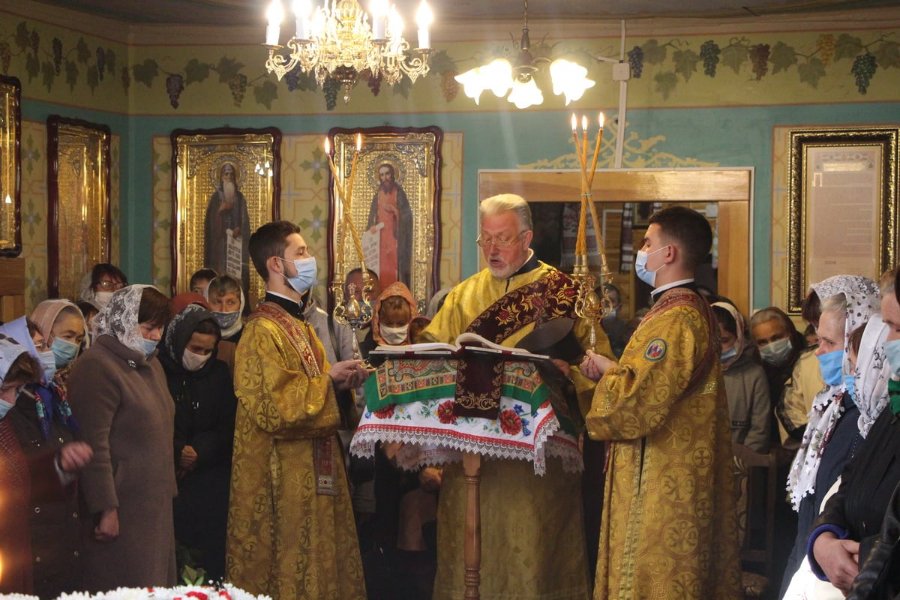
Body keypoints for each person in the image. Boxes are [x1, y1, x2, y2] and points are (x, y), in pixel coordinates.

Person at [420, 193, 613, 600]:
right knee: (471, 557)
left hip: (536, 463)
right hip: (471, 456)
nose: (492, 249)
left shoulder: (566, 293)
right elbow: (432, 360)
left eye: (503, 239)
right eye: (485, 239)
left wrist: (568, 374)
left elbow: (600, 373)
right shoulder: (462, 295)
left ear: (526, 238)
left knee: (532, 558)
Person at [579, 206, 741, 599]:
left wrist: (606, 374)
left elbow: (636, 404)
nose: (642, 251)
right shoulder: (683, 309)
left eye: (647, 242)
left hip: (662, 480)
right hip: (673, 471)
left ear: (668, 253)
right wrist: (617, 371)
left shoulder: (676, 318)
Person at [226, 221, 368, 599]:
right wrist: (328, 381)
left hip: (313, 471)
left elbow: (317, 387)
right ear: (276, 264)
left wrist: (341, 383)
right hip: (281, 479)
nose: (310, 259)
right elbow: (275, 408)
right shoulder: (261, 331)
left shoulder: (298, 325)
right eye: (301, 252)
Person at [68, 285, 177, 591]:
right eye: (148, 327)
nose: (155, 336)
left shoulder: (150, 363)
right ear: (124, 320)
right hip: (122, 506)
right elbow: (93, 444)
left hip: (153, 504)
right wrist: (105, 508)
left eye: (161, 328)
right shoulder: (97, 365)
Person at [781, 275, 880, 596]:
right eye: (817, 338)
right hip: (813, 556)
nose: (819, 351)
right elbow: (812, 506)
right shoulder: (832, 405)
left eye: (829, 343)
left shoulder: (866, 416)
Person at [804, 269, 897, 595]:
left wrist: (866, 560)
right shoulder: (889, 411)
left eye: (896, 328)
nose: (887, 343)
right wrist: (823, 537)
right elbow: (850, 479)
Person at [0, 334, 93, 596]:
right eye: (3, 390)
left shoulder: (4, 428)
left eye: (16, 390)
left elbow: (19, 481)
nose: (10, 401)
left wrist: (59, 464)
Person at [158, 304, 236, 582]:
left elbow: (228, 426)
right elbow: (153, 423)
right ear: (180, 341)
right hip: (170, 479)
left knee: (209, 561)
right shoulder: (158, 370)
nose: (200, 356)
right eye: (195, 348)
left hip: (209, 480)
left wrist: (199, 452)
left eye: (207, 351)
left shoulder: (218, 373)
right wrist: (178, 450)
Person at [748, 306, 822, 448]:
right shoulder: (755, 372)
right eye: (763, 342)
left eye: (776, 338)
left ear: (790, 333)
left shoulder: (811, 362)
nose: (771, 346)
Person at [712, 301, 771, 452]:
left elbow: (759, 430)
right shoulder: (697, 374)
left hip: (742, 460)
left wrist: (742, 459)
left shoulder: (754, 375)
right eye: (712, 340)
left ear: (739, 337)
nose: (718, 348)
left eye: (724, 340)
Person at [204, 162, 251, 295]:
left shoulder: (240, 198)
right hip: (219, 246)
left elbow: (245, 221)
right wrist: (220, 210)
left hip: (236, 244)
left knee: (236, 275)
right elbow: (210, 224)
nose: (229, 177)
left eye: (231, 174)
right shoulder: (215, 198)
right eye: (226, 174)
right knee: (220, 272)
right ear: (221, 177)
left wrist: (239, 229)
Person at [367, 162, 412, 288]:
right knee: (381, 268)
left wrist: (395, 210)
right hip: (380, 239)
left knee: (394, 267)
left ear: (392, 175)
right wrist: (372, 226)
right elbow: (372, 216)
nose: (385, 177)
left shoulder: (399, 193)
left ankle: (395, 291)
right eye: (382, 175)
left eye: (387, 174)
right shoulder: (378, 195)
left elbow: (407, 217)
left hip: (395, 238)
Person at [204, 274, 245, 375]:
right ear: (206, 302)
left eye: (230, 302)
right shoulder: (199, 336)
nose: (223, 310)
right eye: (217, 302)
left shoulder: (250, 338)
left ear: (241, 304)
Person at [599, 283, 632, 358]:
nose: (603, 306)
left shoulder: (626, 331)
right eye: (600, 301)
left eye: (610, 301)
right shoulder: (584, 330)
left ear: (619, 307)